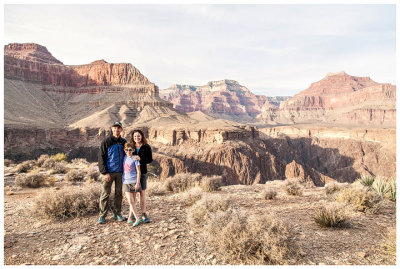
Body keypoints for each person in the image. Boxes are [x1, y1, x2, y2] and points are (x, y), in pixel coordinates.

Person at [97, 121, 127, 224]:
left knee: (118, 194)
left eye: (119, 128)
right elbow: (101, 157)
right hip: (109, 172)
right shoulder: (106, 141)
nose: (117, 130)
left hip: (120, 173)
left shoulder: (124, 142)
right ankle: (102, 215)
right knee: (105, 193)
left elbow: (128, 155)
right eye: (115, 128)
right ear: (112, 129)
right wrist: (105, 172)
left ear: (121, 130)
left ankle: (117, 214)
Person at [130, 129, 153, 223]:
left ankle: (144, 214)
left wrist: (140, 159)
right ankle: (131, 215)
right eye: (135, 136)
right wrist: (132, 157)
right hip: (132, 173)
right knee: (134, 194)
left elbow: (150, 160)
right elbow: (126, 157)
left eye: (138, 136)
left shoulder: (146, 147)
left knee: (142, 193)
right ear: (133, 137)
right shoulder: (131, 147)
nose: (137, 138)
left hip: (142, 172)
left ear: (142, 136)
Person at [122, 143, 143, 227]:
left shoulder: (135, 159)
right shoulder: (124, 158)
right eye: (127, 150)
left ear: (133, 150)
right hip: (126, 182)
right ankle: (135, 218)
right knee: (131, 201)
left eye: (130, 150)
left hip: (134, 181)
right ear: (124, 150)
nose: (128, 151)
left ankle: (132, 218)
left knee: (133, 201)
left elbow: (138, 172)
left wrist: (137, 183)